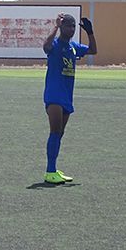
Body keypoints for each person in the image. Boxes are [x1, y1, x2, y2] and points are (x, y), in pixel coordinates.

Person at [41, 13, 97, 184]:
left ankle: (54, 169)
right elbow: (46, 46)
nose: (71, 29)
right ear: (62, 27)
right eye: (68, 26)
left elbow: (93, 51)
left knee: (60, 133)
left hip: (66, 96)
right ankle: (50, 172)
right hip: (54, 95)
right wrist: (56, 26)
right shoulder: (56, 44)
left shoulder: (73, 47)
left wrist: (90, 32)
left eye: (73, 26)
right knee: (55, 131)